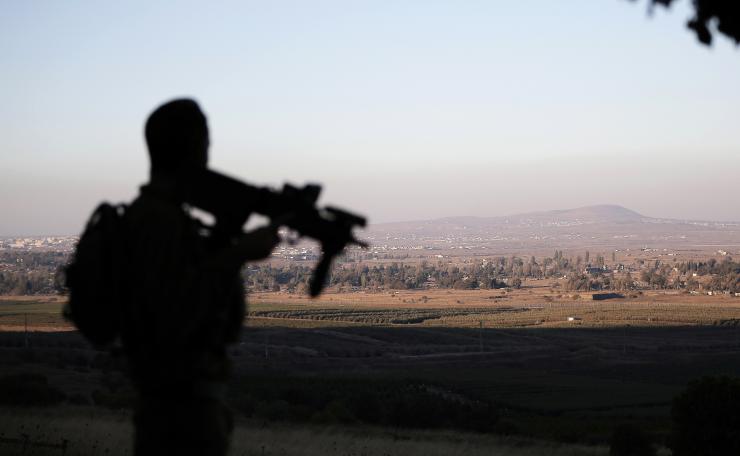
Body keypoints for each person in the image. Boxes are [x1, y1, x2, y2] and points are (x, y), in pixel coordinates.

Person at [121, 99, 280, 455]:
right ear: (193, 149)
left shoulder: (157, 218)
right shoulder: (158, 223)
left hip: (174, 400)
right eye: (205, 144)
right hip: (179, 406)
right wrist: (239, 253)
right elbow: (174, 313)